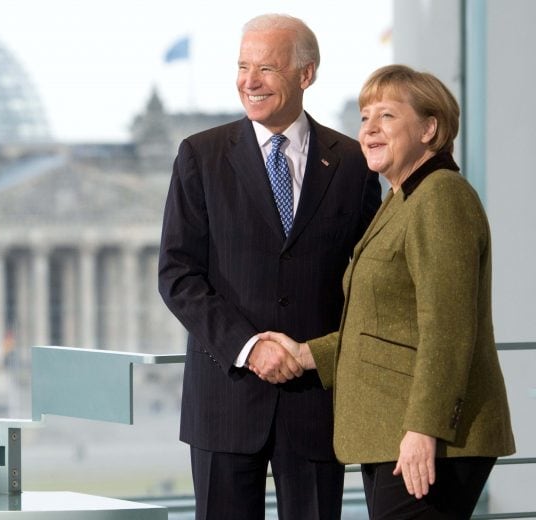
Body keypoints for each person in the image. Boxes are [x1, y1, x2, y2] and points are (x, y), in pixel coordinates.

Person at [256, 64, 516, 519]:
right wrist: (305, 354)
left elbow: (448, 328)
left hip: (427, 439)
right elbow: (386, 327)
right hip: (395, 433)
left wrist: (423, 429)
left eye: (387, 117)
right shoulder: (402, 199)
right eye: (364, 117)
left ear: (429, 129)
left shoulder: (440, 197)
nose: (369, 129)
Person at [157, 13, 382, 520]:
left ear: (306, 75)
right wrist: (249, 345)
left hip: (316, 404)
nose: (249, 82)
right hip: (224, 401)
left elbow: (367, 281)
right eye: (242, 66)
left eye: (266, 68)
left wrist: (314, 354)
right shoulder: (201, 155)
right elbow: (177, 274)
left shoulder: (352, 163)